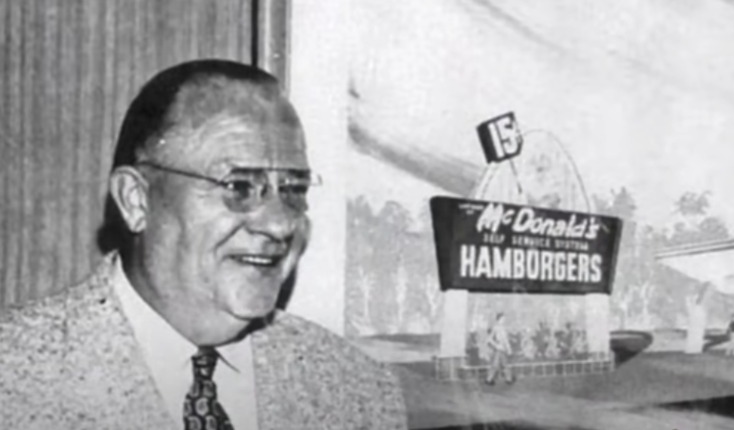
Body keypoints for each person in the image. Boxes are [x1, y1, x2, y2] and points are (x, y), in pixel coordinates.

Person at [0, 60, 406, 429]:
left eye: (294, 189)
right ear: (136, 200)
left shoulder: (358, 391)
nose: (280, 223)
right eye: (239, 186)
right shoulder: (14, 377)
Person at [485, 312, 514, 385]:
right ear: (499, 319)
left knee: (505, 364)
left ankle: (508, 379)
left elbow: (505, 340)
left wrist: (509, 348)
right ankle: (489, 380)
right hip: (498, 349)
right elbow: (489, 339)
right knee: (495, 365)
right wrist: (496, 345)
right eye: (503, 318)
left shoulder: (503, 328)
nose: (504, 320)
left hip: (503, 349)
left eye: (504, 319)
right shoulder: (495, 327)